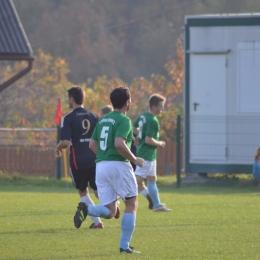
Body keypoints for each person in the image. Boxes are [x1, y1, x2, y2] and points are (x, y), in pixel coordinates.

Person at [73, 86, 145, 254]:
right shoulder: (124, 120)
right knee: (131, 204)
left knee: (111, 211)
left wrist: (105, 156)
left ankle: (88, 209)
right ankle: (124, 246)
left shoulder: (103, 119)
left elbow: (92, 145)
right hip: (118, 165)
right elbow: (119, 144)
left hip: (101, 166)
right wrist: (135, 159)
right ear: (128, 103)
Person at [54, 85, 104, 229]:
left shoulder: (68, 118)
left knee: (83, 191)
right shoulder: (94, 116)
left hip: (78, 161)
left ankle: (98, 222)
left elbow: (65, 142)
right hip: (95, 158)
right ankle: (113, 205)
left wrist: (57, 148)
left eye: (68, 98)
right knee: (98, 190)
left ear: (72, 99)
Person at [133, 94, 172, 212]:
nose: (162, 109)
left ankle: (157, 205)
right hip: (146, 155)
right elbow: (148, 140)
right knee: (135, 182)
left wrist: (138, 137)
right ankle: (114, 199)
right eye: (161, 106)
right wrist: (160, 143)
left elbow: (134, 127)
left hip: (147, 154)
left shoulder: (144, 116)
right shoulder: (153, 120)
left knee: (152, 179)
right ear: (154, 106)